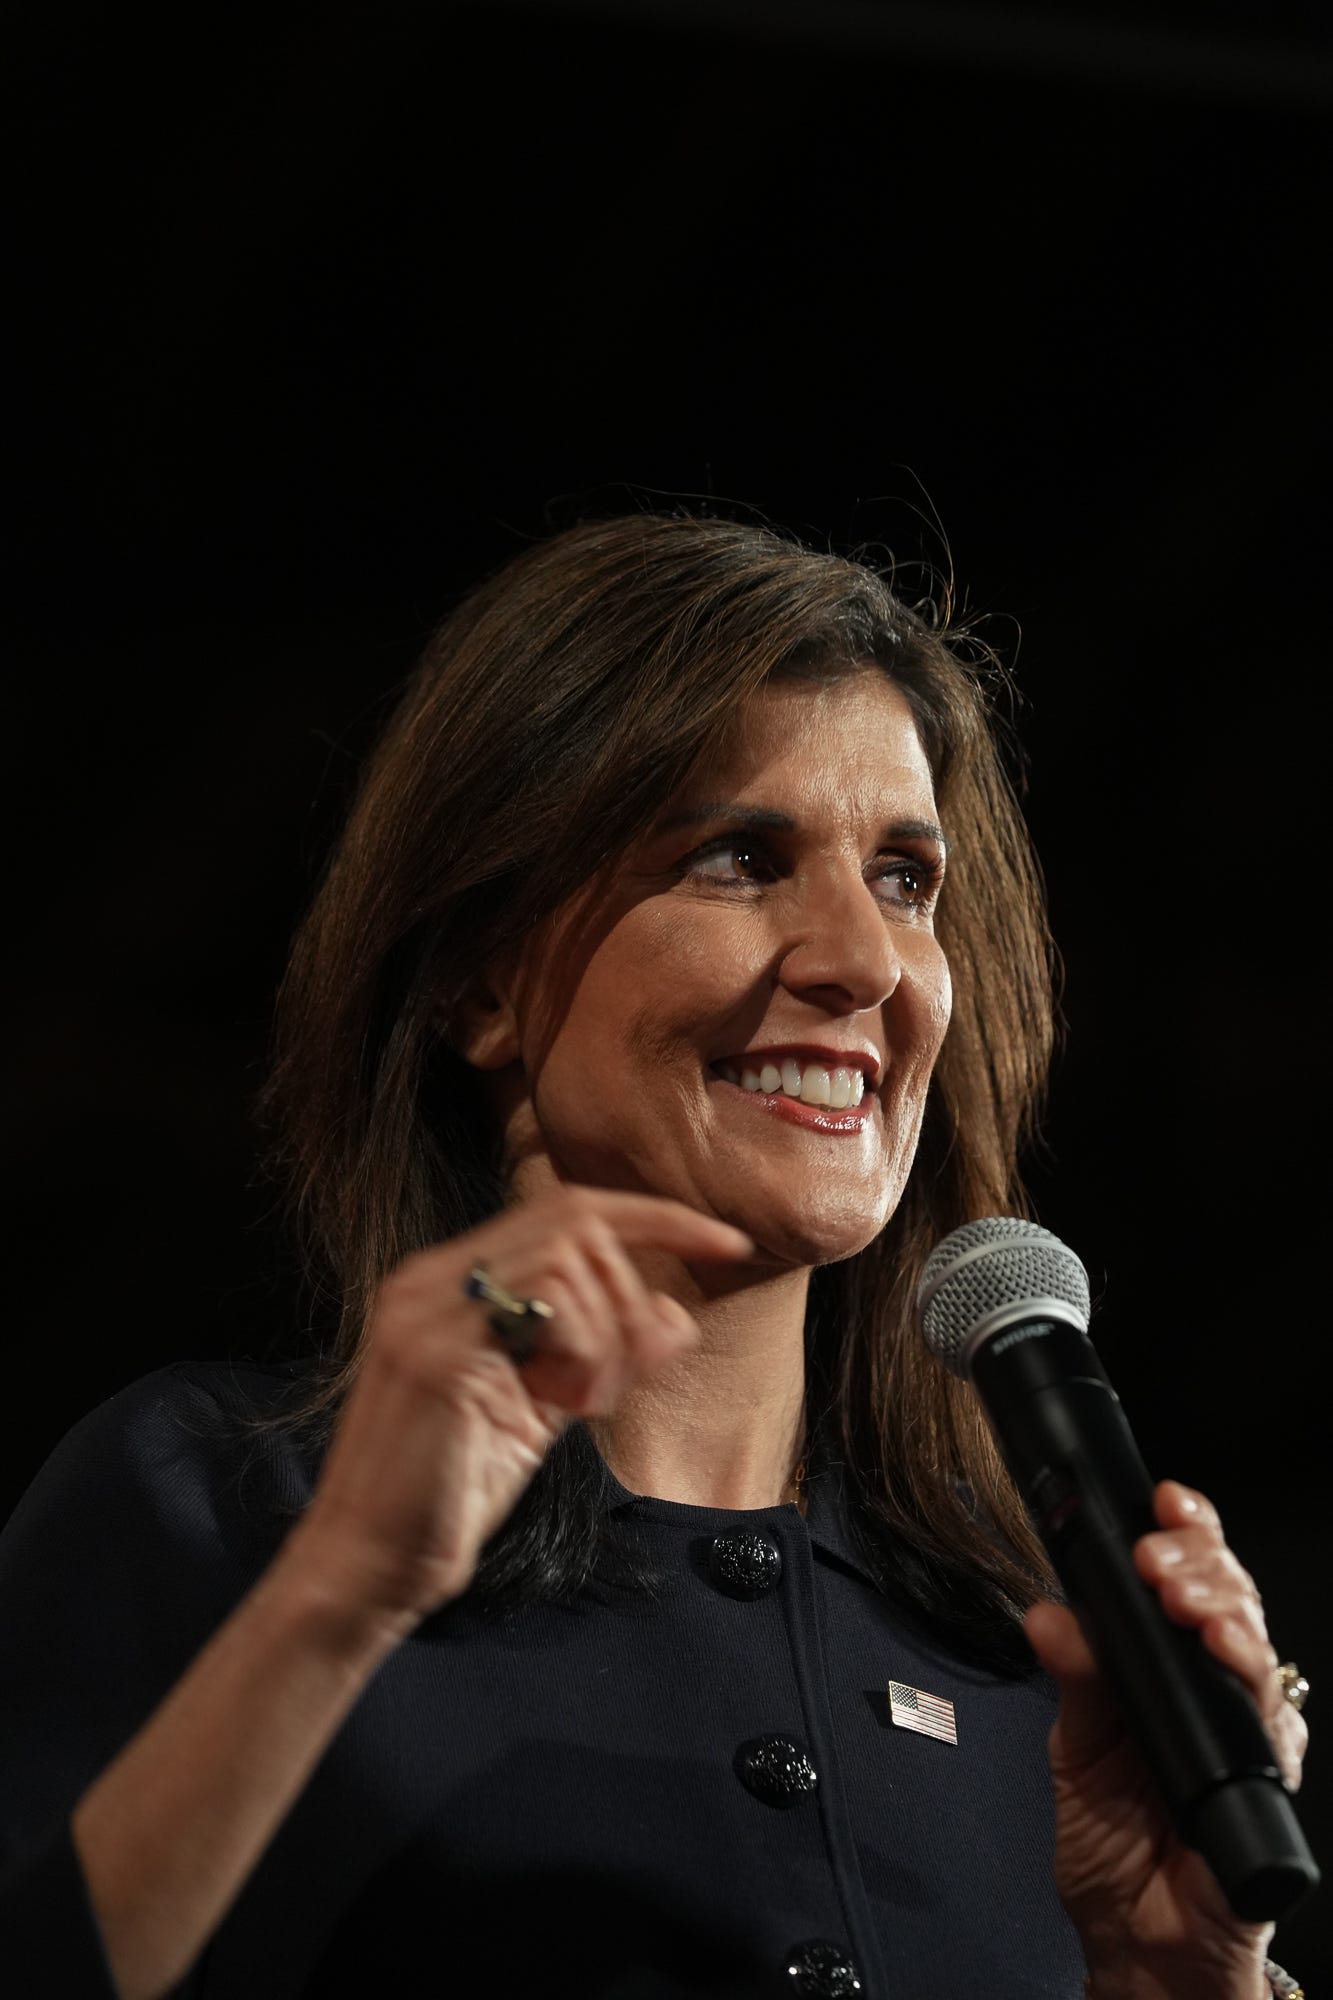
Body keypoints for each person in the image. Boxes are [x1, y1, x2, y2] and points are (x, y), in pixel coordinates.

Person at [0, 510, 1310, 1999]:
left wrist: (1183, 1981)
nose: (861, 963)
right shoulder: (217, 1510)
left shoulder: (1050, 1676)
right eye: (739, 858)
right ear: (478, 984)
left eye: (901, 877)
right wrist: (338, 1596)